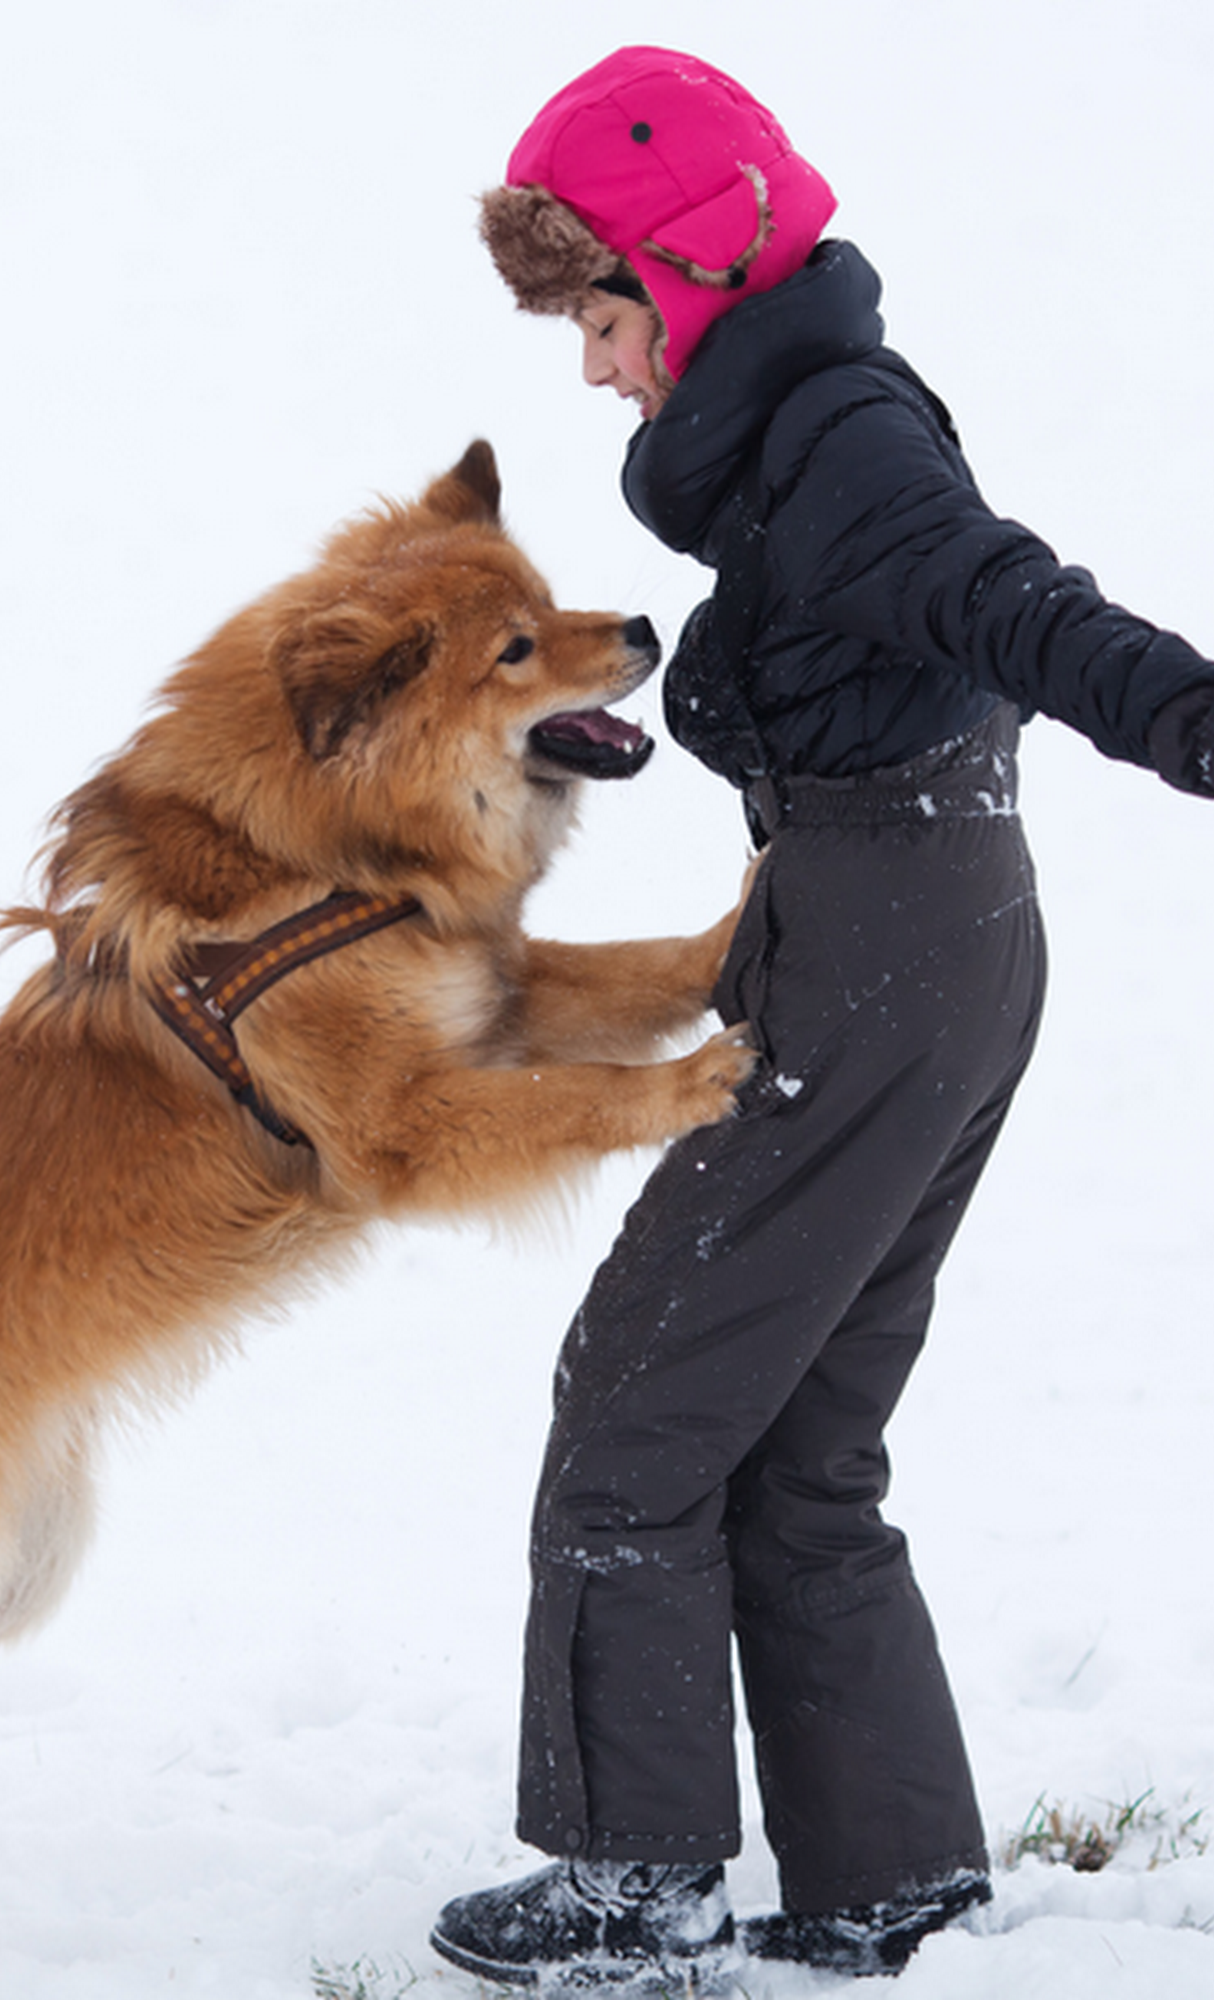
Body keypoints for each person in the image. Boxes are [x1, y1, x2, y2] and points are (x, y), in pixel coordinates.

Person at [428, 45, 1214, 1990]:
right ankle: (886, 1882)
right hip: (916, 928)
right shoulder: (804, 436)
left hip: (879, 949)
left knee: (640, 1402)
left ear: (690, 280)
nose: (596, 367)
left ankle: (641, 1882)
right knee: (792, 1436)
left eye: (600, 316)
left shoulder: (843, 446)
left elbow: (1014, 608)